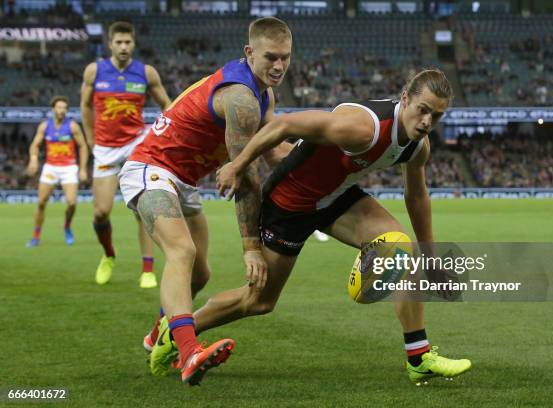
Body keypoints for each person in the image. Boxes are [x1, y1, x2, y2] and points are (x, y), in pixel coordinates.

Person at [191, 69, 472, 385]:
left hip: (337, 197)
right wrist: (237, 164)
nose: (426, 122)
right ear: (405, 98)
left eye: (436, 116)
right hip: (289, 203)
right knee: (259, 302)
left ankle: (419, 358)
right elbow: (284, 125)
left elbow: (417, 196)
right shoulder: (362, 128)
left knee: (399, 248)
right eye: (423, 110)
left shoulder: (418, 146)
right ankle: (180, 330)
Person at [118, 17, 293, 385]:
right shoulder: (242, 98)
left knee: (201, 274)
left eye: (286, 58)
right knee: (182, 252)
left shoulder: (264, 94)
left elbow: (275, 152)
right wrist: (250, 247)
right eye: (271, 57)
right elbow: (245, 174)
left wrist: (328, 156)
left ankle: (156, 337)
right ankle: (188, 352)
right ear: (249, 53)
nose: (279, 67)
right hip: (149, 169)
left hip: (182, 180)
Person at [80, 21, 172, 288]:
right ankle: (108, 255)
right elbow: (85, 106)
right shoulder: (94, 71)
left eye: (127, 42)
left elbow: (167, 105)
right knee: (100, 212)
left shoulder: (146, 73)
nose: (123, 46)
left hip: (137, 146)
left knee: (143, 210)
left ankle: (147, 269)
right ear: (110, 43)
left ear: (133, 43)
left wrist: (157, 137)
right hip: (106, 148)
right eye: (118, 42)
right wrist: (90, 140)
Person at [26, 96, 88, 247]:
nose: (62, 110)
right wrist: (33, 159)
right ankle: (36, 235)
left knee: (72, 203)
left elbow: (83, 146)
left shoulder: (73, 126)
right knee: (41, 202)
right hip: (51, 167)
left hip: (69, 167)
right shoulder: (45, 126)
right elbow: (34, 145)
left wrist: (83, 169)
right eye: (59, 107)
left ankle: (67, 226)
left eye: (64, 108)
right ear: (53, 109)